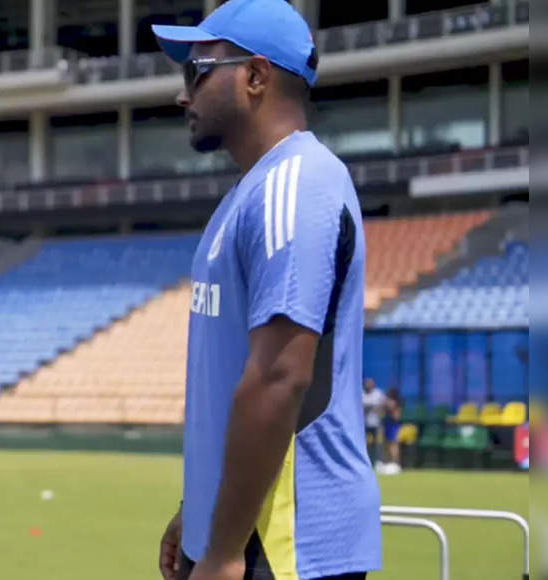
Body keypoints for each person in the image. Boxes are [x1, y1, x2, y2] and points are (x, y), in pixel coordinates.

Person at [151, 1, 381, 578]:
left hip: (287, 546)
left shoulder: (296, 183)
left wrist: (226, 549)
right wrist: (199, 515)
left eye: (196, 70)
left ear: (255, 76)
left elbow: (281, 377)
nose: (184, 95)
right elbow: (231, 373)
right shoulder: (254, 191)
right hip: (248, 532)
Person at [362, 378, 386, 468]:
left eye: (370, 383)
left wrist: (376, 407)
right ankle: (365, 462)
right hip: (363, 424)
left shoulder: (378, 393)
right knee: (364, 444)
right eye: (367, 383)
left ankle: (378, 462)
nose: (368, 385)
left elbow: (383, 405)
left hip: (376, 423)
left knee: (377, 444)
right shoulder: (361, 393)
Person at [380, 388, 403, 474]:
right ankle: (386, 463)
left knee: (393, 444)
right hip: (387, 424)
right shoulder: (388, 402)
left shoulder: (396, 403)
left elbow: (396, 416)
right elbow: (382, 410)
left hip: (393, 425)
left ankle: (396, 463)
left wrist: (389, 405)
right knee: (385, 444)